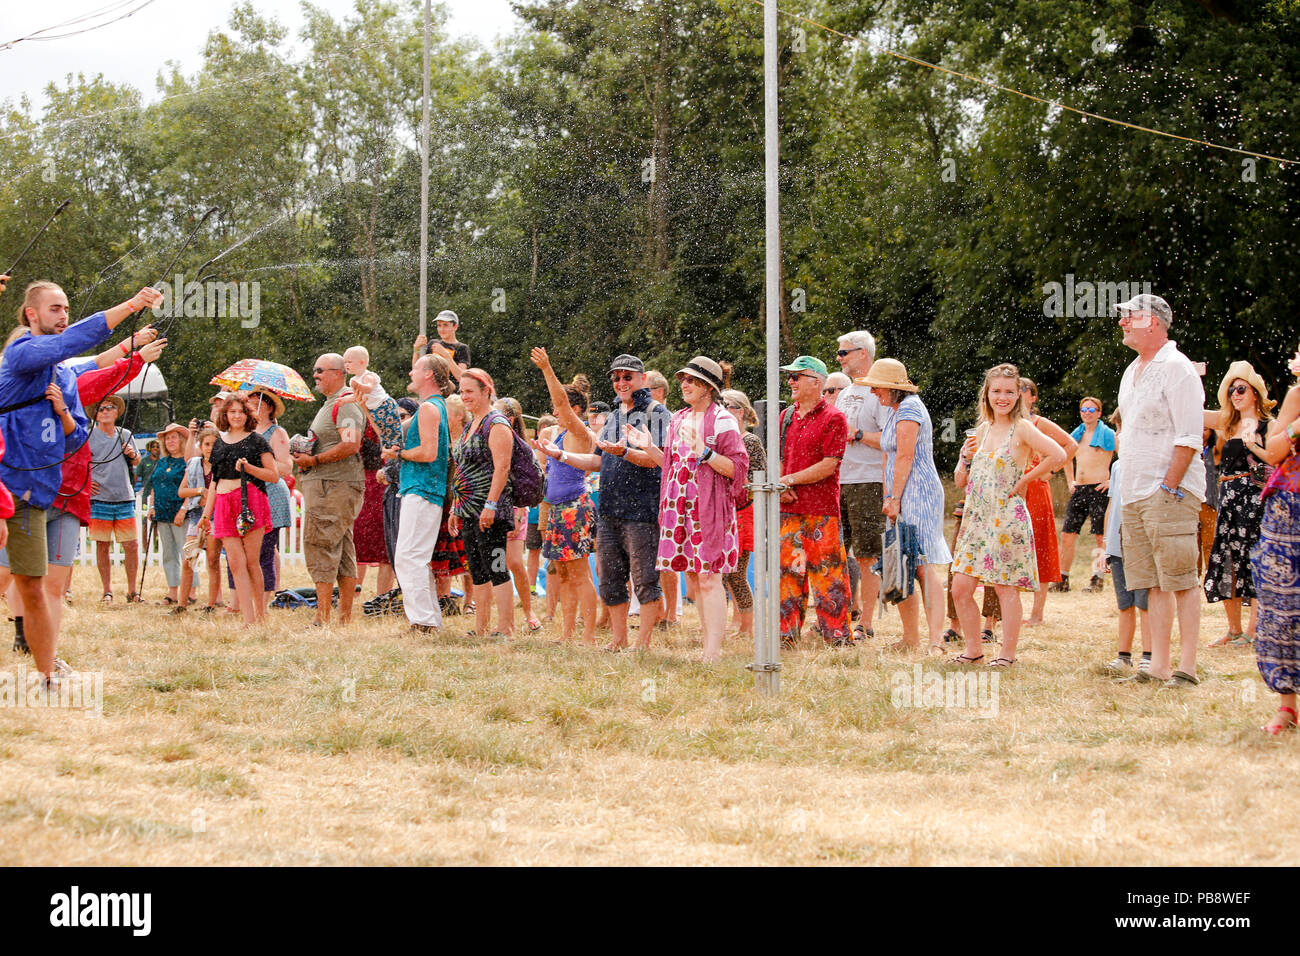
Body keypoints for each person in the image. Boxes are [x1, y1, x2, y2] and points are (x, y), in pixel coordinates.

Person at [4, 334, 165, 649]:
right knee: (18, 570)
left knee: (45, 577)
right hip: (32, 491)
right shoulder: (24, 387)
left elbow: (99, 367)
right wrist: (137, 356)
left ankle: (31, 641)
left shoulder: (64, 380)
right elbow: (103, 373)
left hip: (63, 492)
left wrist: (134, 349)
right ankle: (22, 633)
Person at [549, 354, 672, 651]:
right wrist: (562, 456)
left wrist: (626, 453)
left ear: (642, 379)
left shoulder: (658, 413)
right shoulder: (614, 415)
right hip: (609, 509)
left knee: (644, 580)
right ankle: (618, 640)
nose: (621, 382)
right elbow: (598, 460)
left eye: (627, 377)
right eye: (616, 378)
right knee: (610, 580)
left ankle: (642, 644)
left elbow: (661, 460)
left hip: (642, 510)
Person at [630, 356, 747, 662]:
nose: (684, 384)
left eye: (691, 380)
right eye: (682, 379)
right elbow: (671, 465)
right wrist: (648, 447)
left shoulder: (723, 420)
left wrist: (706, 452)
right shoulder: (679, 419)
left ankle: (713, 652)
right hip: (679, 507)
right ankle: (708, 646)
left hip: (709, 508)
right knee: (695, 577)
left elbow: (737, 468)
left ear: (708, 387)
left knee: (710, 578)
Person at [1115, 293, 1205, 688]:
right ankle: (1158, 667)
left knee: (1181, 579)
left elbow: (1189, 436)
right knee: (1152, 582)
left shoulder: (1177, 368)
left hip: (1169, 491)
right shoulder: (1132, 369)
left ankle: (1187, 668)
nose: (1121, 322)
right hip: (1134, 492)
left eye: (1128, 317)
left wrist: (1169, 486)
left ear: (1152, 322)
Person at [950, 363, 1066, 667]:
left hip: (1007, 519)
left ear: (1019, 395)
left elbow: (1059, 454)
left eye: (1009, 392)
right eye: (996, 391)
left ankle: (1007, 656)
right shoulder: (981, 430)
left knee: (1005, 588)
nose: (1003, 397)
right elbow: (961, 480)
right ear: (986, 393)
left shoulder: (1023, 428)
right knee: (960, 588)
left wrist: (1027, 478)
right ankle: (973, 650)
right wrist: (965, 458)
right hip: (976, 520)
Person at [858, 358, 953, 653]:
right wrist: (888, 496)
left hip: (919, 492)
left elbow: (905, 456)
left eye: (878, 386)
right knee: (902, 562)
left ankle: (935, 640)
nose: (874, 391)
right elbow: (888, 455)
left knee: (922, 563)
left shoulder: (911, 408)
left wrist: (896, 497)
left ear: (893, 387)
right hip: (898, 492)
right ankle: (910, 637)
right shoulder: (893, 410)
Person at [776, 355, 850, 647]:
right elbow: (780, 458)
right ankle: (786, 636)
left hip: (821, 510)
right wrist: (781, 485)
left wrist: (789, 481)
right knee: (788, 574)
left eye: (797, 376)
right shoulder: (785, 416)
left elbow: (829, 465)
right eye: (790, 377)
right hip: (789, 508)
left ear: (816, 382)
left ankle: (837, 636)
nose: (791, 382)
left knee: (828, 575)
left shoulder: (834, 417)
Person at [530, 347, 599, 645]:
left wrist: (547, 369)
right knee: (565, 574)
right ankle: (567, 632)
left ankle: (589, 636)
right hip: (558, 508)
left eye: (560, 407)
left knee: (580, 574)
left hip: (574, 507)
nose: (555, 410)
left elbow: (561, 401)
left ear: (574, 409)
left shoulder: (579, 432)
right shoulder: (557, 435)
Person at [1201, 361, 1274, 646]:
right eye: (1232, 389)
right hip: (1228, 497)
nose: (1235, 393)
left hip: (1255, 497)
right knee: (1226, 560)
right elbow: (1191, 410)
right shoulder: (1226, 422)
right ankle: (1233, 630)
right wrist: (1192, 378)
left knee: (1254, 560)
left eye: (1241, 388)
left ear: (1254, 392)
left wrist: (1254, 444)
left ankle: (1254, 631)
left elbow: (1276, 461)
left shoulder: (1270, 425)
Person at [290, 353, 365, 625]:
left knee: (319, 544)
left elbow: (351, 444)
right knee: (343, 549)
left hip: (333, 486)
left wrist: (315, 460)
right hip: (331, 486)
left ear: (338, 372)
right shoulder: (333, 403)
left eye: (320, 370)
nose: (315, 375)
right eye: (315, 370)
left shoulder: (345, 403)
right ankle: (343, 618)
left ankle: (323, 618)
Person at [1251, 347, 1300, 733]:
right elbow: (1275, 450)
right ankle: (1287, 707)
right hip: (1291, 505)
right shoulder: (1297, 394)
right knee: (1285, 600)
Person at [385, 354, 451, 635]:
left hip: (422, 487)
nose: (410, 372)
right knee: (416, 557)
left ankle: (423, 621)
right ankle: (428, 619)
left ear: (428, 375)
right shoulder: (436, 406)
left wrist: (399, 453)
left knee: (408, 557)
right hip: (425, 489)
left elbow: (428, 452)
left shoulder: (428, 409)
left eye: (416, 368)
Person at [197, 395, 277, 626]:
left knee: (252, 561)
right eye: (231, 412)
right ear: (225, 415)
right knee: (235, 562)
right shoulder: (219, 442)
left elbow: (273, 475)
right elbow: (214, 482)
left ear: (247, 414)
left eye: (240, 412)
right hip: (223, 503)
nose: (236, 416)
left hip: (249, 501)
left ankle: (260, 615)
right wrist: (206, 514)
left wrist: (249, 467)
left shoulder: (257, 441)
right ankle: (248, 618)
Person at [450, 368, 517, 637]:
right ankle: (481, 627)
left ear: (486, 391)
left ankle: (506, 628)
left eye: (470, 391)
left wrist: (490, 505)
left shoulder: (497, 423)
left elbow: (502, 468)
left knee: (497, 566)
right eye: (462, 391)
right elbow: (463, 468)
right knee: (476, 568)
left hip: (492, 510)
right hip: (467, 509)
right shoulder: (471, 424)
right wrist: (456, 507)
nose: (464, 396)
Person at [835, 330, 887, 642]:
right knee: (838, 553)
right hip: (841, 479)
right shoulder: (844, 392)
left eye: (844, 353)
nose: (839, 358)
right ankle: (837, 616)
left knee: (867, 555)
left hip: (869, 481)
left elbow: (891, 440)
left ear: (862, 354)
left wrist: (856, 435)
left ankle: (866, 623)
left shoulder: (880, 391)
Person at [1019, 378, 1077, 623]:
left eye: (1024, 390)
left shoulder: (1039, 423)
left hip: (1036, 488)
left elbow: (1070, 444)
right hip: (1013, 488)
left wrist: (1051, 471)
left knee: (1040, 546)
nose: (1019, 394)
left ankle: (1037, 613)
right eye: (1016, 389)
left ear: (1033, 397)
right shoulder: (1006, 422)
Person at [1100, 411, 1152, 674]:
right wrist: (1107, 545)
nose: (1119, 437)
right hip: (1118, 546)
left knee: (1145, 603)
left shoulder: (1148, 464)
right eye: (1117, 431)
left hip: (1141, 545)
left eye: (1123, 431)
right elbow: (1112, 505)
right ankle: (1123, 655)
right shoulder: (1117, 467)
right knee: (1125, 603)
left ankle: (1149, 655)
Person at [719, 388, 765, 640]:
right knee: (724, 573)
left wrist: (735, 480)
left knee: (736, 572)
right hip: (724, 511)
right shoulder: (723, 440)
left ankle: (747, 625)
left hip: (743, 512)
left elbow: (759, 479)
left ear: (741, 412)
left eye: (727, 406)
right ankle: (735, 621)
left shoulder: (750, 441)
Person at [88, 395, 142, 603]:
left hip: (124, 496)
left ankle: (132, 590)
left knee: (131, 545)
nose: (105, 411)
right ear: (96, 414)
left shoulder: (125, 434)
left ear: (117, 412)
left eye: (110, 408)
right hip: (99, 497)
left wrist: (131, 454)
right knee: (102, 545)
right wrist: (86, 482)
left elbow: (137, 460)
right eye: (101, 409)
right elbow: (79, 461)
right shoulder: (89, 435)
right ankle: (107, 590)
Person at [495, 396, 541, 631]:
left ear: (510, 419)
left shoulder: (520, 447)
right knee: (495, 561)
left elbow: (524, 482)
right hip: (492, 505)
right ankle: (502, 616)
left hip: (514, 506)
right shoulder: (490, 437)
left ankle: (528, 609)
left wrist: (521, 510)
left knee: (513, 561)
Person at [1061, 397, 1116, 592]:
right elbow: (1065, 457)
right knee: (1067, 534)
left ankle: (1097, 577)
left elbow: (1126, 456)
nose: (1087, 412)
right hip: (1080, 489)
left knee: (1100, 536)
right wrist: (1070, 481)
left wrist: (1112, 481)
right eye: (1084, 409)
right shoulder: (1076, 436)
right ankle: (1063, 578)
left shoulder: (1108, 434)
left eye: (1092, 409)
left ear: (1099, 413)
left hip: (1099, 489)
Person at [248, 387, 293, 609]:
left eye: (256, 402)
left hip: (271, 493)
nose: (251, 405)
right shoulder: (245, 432)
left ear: (268, 407)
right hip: (249, 493)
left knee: (265, 548)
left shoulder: (277, 433)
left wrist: (262, 463)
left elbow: (286, 467)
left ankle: (264, 600)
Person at [174, 428, 220, 613]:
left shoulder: (222, 466)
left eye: (214, 444)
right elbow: (182, 491)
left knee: (212, 560)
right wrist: (201, 491)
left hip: (215, 515)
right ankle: (181, 604)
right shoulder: (194, 464)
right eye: (207, 444)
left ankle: (211, 604)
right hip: (195, 515)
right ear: (200, 446)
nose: (210, 448)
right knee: (189, 559)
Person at [145, 423, 190, 604]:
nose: (170, 441)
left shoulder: (187, 461)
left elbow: (191, 487)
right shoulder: (162, 462)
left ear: (182, 440)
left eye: (174, 437)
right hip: (162, 514)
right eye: (167, 438)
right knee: (169, 554)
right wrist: (152, 507)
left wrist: (183, 509)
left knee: (186, 554)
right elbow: (155, 485)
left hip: (181, 515)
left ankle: (191, 592)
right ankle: (172, 592)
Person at [378, 397, 419, 571]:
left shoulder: (416, 437)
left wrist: (387, 473)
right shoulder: (395, 437)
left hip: (408, 497)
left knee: (408, 555)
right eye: (395, 418)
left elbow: (405, 469)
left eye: (402, 417)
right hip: (392, 496)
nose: (399, 422)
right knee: (395, 553)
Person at [413, 310, 470, 385]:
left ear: (455, 327)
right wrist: (416, 350)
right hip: (432, 391)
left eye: (445, 325)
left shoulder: (462, 348)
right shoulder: (433, 343)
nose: (442, 329)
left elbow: (461, 378)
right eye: (439, 325)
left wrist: (446, 355)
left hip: (452, 394)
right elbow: (417, 371)